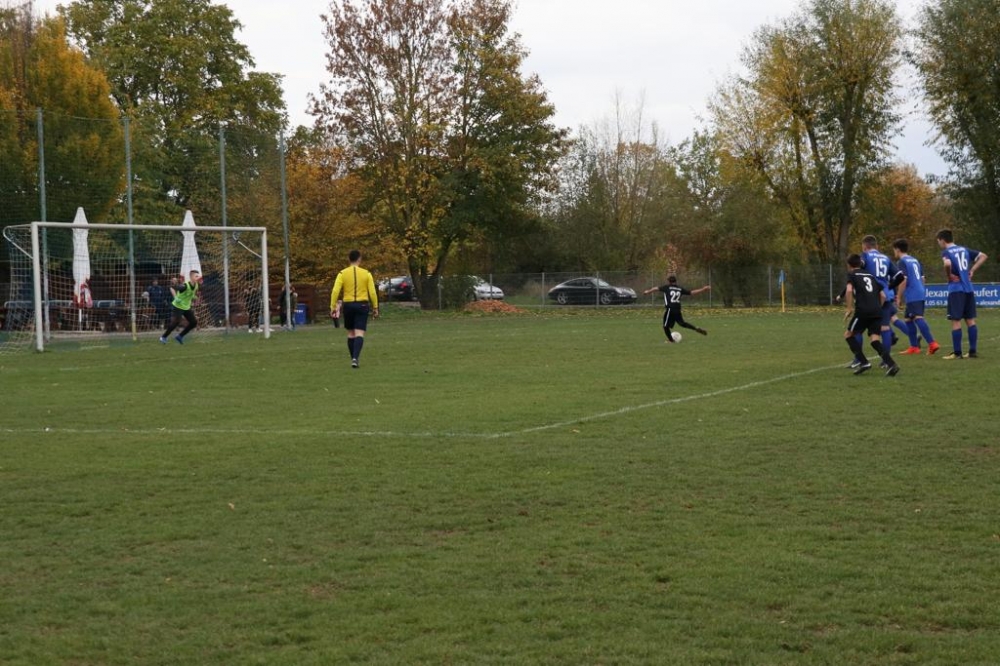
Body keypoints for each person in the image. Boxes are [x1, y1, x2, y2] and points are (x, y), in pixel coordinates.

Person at [843, 254, 899, 376]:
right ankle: (892, 364)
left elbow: (849, 290)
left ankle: (864, 362)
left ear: (849, 265)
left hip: (862, 311)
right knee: (875, 340)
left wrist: (849, 309)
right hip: (877, 311)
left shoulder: (852, 275)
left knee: (848, 335)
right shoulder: (870, 275)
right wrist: (877, 307)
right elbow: (883, 295)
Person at [937, 228, 988, 359]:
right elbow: (983, 256)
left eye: (938, 241)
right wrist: (972, 270)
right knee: (970, 320)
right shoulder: (964, 249)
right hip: (968, 288)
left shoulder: (946, 252)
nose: (939, 243)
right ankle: (972, 351)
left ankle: (957, 353)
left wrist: (949, 276)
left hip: (956, 289)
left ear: (942, 240)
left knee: (956, 320)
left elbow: (947, 263)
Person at [860, 235, 909, 360]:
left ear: (865, 246)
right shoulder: (886, 258)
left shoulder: (865, 256)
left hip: (870, 295)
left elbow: (859, 266)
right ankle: (886, 360)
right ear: (876, 246)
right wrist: (889, 286)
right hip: (885, 296)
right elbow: (900, 277)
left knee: (859, 326)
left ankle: (859, 359)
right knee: (885, 327)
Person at [330, 249, 379, 368]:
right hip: (362, 305)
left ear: (349, 259)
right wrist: (375, 306)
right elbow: (372, 292)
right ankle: (355, 358)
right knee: (359, 333)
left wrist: (332, 306)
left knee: (351, 333)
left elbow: (335, 290)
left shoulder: (342, 273)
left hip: (348, 305)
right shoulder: (366, 273)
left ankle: (353, 358)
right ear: (359, 259)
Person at [891, 238, 939, 355]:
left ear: (897, 249)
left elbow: (903, 280)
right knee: (908, 319)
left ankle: (932, 343)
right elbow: (923, 278)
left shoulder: (902, 262)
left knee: (918, 317)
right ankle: (914, 347)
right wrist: (921, 290)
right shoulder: (914, 260)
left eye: (894, 250)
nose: (894, 252)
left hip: (913, 293)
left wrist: (898, 296)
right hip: (919, 291)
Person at [641, 275, 710, 342]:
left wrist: (648, 291)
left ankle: (671, 340)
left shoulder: (666, 287)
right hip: (677, 309)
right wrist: (703, 289)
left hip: (670, 309)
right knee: (682, 323)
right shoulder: (680, 288)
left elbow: (656, 288)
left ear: (669, 281)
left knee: (665, 326)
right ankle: (695, 328)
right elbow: (691, 292)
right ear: (675, 281)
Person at [159, 270, 202, 345]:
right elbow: (172, 288)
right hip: (178, 306)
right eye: (196, 276)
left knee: (194, 322)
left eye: (198, 276)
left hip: (186, 307)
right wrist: (176, 298)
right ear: (191, 277)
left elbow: (190, 293)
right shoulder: (185, 286)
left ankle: (180, 336)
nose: (198, 277)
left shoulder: (196, 285)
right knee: (176, 322)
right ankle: (163, 337)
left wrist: (195, 297)